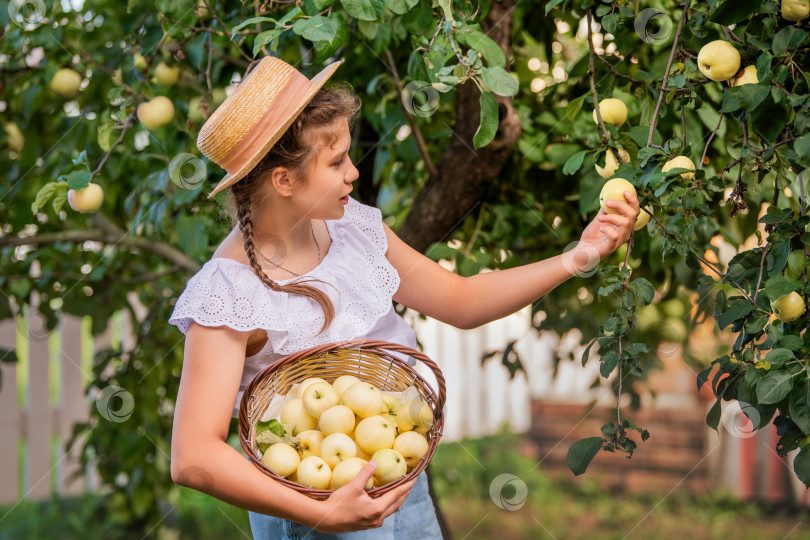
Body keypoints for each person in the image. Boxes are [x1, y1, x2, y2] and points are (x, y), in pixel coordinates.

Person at [167, 56, 639, 538]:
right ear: (283, 181)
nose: (353, 173)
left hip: (397, 476)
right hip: (310, 504)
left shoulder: (351, 227)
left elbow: (462, 299)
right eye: (335, 163)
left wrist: (578, 257)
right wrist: (322, 514)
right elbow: (193, 457)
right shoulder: (228, 293)